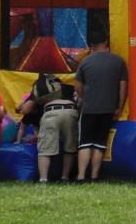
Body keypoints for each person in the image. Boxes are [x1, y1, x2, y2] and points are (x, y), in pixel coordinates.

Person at [74, 35, 127, 182]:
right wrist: (119, 106)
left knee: (85, 142)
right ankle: (94, 176)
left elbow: (77, 85)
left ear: (92, 45)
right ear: (105, 43)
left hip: (89, 108)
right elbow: (123, 86)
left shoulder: (85, 62)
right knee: (99, 143)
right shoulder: (118, 61)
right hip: (108, 108)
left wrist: (84, 97)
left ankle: (80, 176)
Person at [33, 71, 79, 183]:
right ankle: (65, 177)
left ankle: (43, 179)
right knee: (70, 147)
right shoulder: (67, 87)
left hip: (51, 111)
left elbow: (28, 108)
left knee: (45, 149)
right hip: (71, 110)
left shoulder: (38, 87)